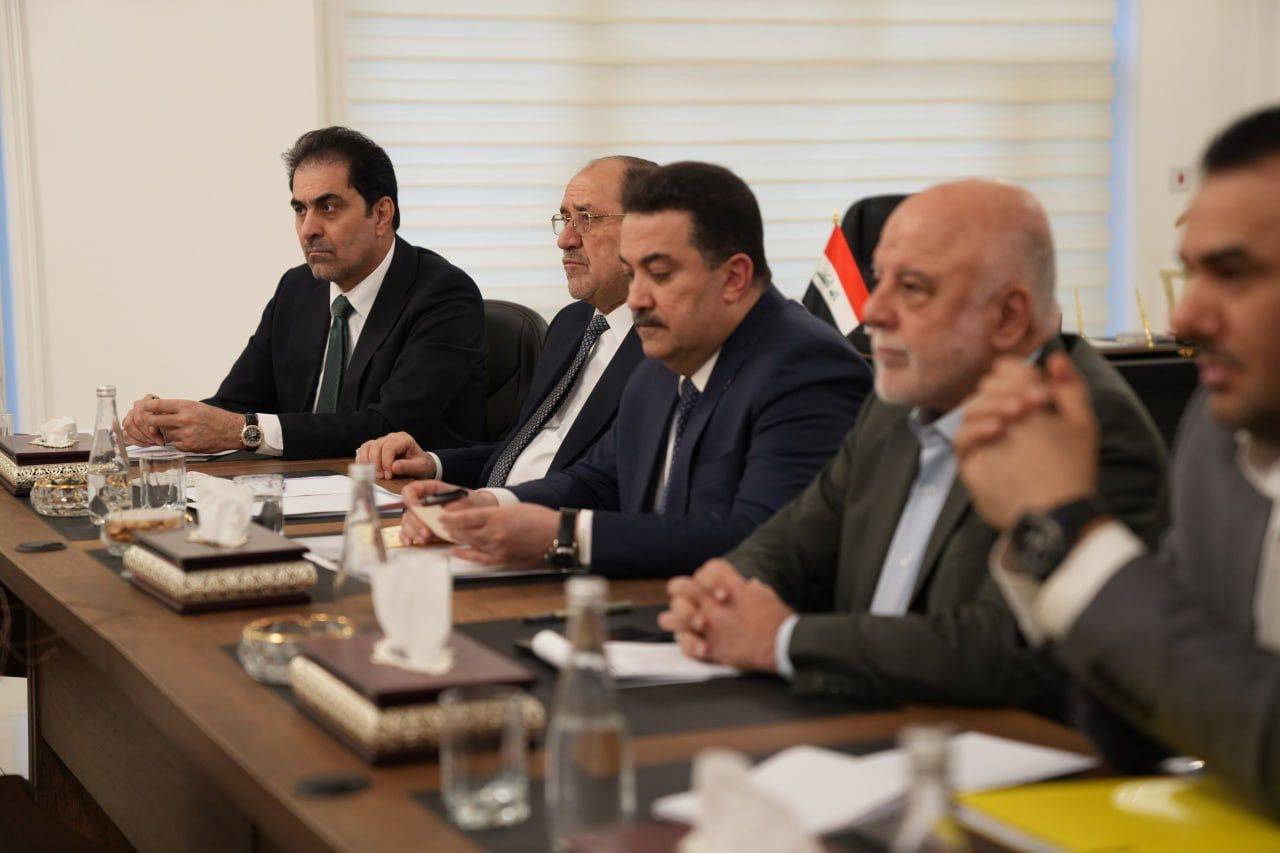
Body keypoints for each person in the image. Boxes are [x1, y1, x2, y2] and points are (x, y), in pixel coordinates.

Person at [659, 179, 1167, 713]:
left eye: (913, 288)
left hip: (989, 745)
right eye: (879, 280)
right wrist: (723, 589)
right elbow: (793, 544)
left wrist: (782, 640)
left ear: (1008, 316)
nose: (873, 312)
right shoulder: (895, 404)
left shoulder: (1082, 424)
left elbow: (1003, 647)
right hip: (858, 720)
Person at [955, 106, 1280, 814]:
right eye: (1191, 272)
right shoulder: (1219, 435)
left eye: (1233, 273)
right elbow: (1145, 721)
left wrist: (1069, 537)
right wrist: (1039, 540)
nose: (1185, 317)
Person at [402, 162, 872, 578]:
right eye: (633, 273)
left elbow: (759, 538)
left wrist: (567, 534)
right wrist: (489, 505)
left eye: (660, 274)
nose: (639, 298)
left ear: (734, 277)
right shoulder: (666, 356)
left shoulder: (807, 367)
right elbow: (602, 479)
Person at [121, 126, 487, 459]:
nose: (308, 229)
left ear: (380, 214)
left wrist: (244, 432)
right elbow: (237, 403)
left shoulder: (443, 296)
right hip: (298, 490)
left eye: (328, 207)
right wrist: (166, 422)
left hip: (400, 497)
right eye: (300, 209)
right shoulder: (298, 290)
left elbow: (388, 425)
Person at [355, 156, 655, 487]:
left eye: (585, 219)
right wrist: (433, 463)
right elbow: (520, 451)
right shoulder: (572, 323)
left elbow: (606, 482)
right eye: (565, 219)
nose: (565, 240)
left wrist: (497, 502)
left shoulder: (665, 347)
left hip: (552, 515)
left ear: (647, 230)